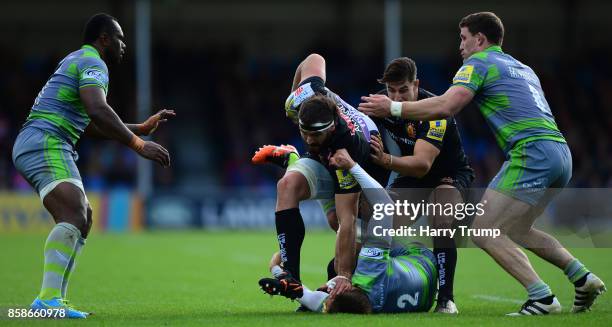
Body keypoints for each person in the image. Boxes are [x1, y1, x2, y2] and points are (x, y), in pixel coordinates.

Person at [358, 11, 606, 315]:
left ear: (480, 39)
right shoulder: (522, 68)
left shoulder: (477, 63)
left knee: (483, 229)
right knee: (518, 228)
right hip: (560, 153)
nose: (460, 46)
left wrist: (393, 107)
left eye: (463, 38)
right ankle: (581, 276)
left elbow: (448, 106)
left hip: (531, 153)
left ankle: (542, 297)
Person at [12, 13, 173, 318]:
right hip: (45, 141)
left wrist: (139, 128)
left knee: (83, 216)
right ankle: (47, 301)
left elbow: (87, 123)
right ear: (104, 39)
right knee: (73, 211)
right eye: (120, 38)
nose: (124, 45)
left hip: (47, 141)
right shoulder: (93, 63)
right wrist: (139, 145)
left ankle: (55, 300)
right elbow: (98, 111)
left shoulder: (77, 60)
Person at [252, 53, 382, 299]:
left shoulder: (346, 146)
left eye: (316, 135)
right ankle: (291, 277)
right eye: (304, 133)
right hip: (324, 157)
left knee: (340, 224)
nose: (309, 140)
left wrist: (342, 275)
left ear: (331, 127)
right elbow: (314, 58)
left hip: (357, 164)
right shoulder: (305, 95)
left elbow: (347, 220)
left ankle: (293, 160)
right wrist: (294, 98)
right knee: (287, 185)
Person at [259, 149, 438, 314]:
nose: (326, 290)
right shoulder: (370, 269)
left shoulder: (366, 304)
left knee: (338, 226)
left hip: (425, 294)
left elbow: (311, 298)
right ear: (348, 286)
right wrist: (352, 166)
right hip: (420, 258)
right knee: (349, 237)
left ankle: (298, 162)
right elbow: (385, 206)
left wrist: (277, 271)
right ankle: (320, 171)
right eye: (330, 291)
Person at [369, 57, 474, 313]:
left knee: (440, 215)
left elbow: (422, 164)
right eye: (391, 91)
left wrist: (385, 160)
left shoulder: (435, 112)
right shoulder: (382, 105)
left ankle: (446, 299)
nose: (397, 97)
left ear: (416, 84)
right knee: (377, 219)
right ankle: (364, 285)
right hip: (413, 178)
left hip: (449, 174)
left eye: (403, 90)